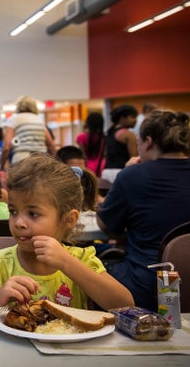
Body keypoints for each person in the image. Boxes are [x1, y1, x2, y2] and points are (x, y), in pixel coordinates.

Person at [0, 154, 133, 317]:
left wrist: (66, 262)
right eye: (13, 211)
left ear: (69, 219)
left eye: (33, 214)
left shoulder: (81, 260)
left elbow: (125, 305)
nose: (19, 222)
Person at [97, 110, 190, 311]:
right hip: (182, 285)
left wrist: (127, 172)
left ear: (148, 142)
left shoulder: (133, 176)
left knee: (92, 263)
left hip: (148, 286)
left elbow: (107, 227)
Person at [0, 96, 56, 169]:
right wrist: (52, 164)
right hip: (40, 159)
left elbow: (6, 147)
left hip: (21, 159)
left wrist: (1, 166)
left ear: (18, 106)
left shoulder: (13, 119)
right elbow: (51, 146)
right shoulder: (39, 120)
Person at [102, 104, 138, 183]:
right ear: (122, 118)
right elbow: (134, 158)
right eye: (132, 117)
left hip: (106, 172)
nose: (135, 120)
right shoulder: (129, 134)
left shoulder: (109, 133)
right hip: (122, 171)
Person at [76, 112, 105, 177]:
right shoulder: (104, 138)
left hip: (87, 166)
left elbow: (82, 154)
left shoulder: (81, 137)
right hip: (102, 166)